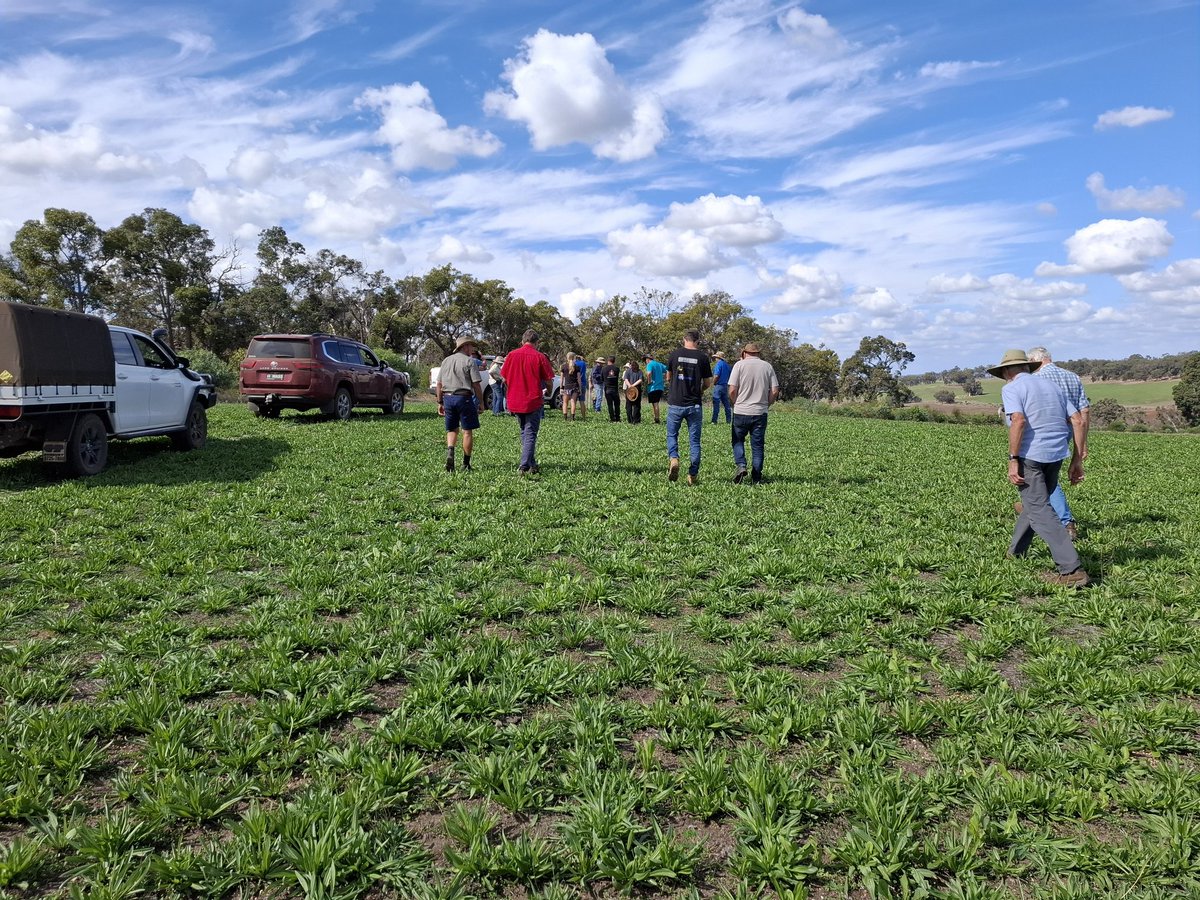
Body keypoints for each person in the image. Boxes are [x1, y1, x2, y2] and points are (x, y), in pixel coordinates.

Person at [990, 348, 1090, 587]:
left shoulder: (1011, 388)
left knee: (1040, 510)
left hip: (1031, 456)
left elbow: (1019, 420)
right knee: (1035, 503)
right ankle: (1016, 552)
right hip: (1056, 455)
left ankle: (1071, 569)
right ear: (1027, 367)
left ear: (1006, 371)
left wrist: (1013, 458)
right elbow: (1077, 420)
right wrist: (1077, 459)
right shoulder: (1052, 387)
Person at [1027, 346, 1089, 540]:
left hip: (1047, 432)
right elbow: (1084, 411)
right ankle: (1034, 510)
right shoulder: (1073, 377)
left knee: (1045, 478)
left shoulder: (1037, 380)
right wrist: (1082, 442)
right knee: (1046, 476)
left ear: (1035, 360)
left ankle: (1064, 522)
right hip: (1071, 429)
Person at [501, 330, 554, 475]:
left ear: (522, 341)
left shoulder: (511, 355)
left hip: (515, 400)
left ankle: (532, 464)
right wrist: (548, 392)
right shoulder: (539, 357)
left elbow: (504, 378)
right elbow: (549, 380)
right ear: (537, 343)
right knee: (530, 432)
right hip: (533, 400)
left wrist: (511, 391)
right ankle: (524, 466)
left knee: (524, 431)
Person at [665, 330, 713, 485]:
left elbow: (668, 377)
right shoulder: (703, 358)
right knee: (694, 441)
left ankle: (674, 458)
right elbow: (707, 383)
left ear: (683, 339)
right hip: (694, 404)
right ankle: (692, 475)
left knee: (672, 435)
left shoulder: (674, 354)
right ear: (697, 341)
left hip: (675, 403)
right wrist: (699, 391)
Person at [728, 343, 780, 484]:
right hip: (760, 412)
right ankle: (756, 477)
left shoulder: (739, 365)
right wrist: (767, 404)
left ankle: (741, 465)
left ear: (744, 352)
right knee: (757, 446)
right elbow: (775, 390)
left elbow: (732, 390)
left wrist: (735, 403)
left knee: (738, 441)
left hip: (741, 411)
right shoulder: (767, 366)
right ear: (758, 353)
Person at [436, 335, 484, 472]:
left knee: (452, 429)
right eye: (471, 346)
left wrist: (440, 402)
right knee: (467, 431)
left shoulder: (446, 361)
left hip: (448, 399)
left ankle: (450, 452)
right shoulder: (469, 361)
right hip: (464, 398)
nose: (472, 349)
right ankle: (466, 463)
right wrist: (481, 403)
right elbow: (476, 385)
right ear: (465, 347)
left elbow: (439, 384)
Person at [643, 353, 667, 424]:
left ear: (647, 359)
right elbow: (668, 369)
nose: (645, 362)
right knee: (655, 403)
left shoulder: (649, 364)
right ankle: (655, 418)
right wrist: (666, 378)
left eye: (645, 360)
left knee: (655, 403)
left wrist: (649, 381)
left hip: (653, 387)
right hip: (660, 387)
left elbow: (649, 373)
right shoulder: (659, 364)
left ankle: (657, 419)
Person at [711, 351, 733, 424]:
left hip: (718, 386)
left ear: (718, 358)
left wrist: (713, 383)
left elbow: (716, 375)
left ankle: (714, 421)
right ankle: (729, 420)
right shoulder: (727, 365)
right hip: (725, 386)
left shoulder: (718, 364)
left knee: (716, 403)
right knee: (726, 404)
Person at [561, 352, 582, 420]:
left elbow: (562, 379)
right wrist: (580, 388)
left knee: (565, 402)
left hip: (567, 387)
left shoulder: (563, 366)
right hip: (575, 386)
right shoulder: (577, 367)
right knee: (573, 402)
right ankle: (572, 417)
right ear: (574, 358)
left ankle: (565, 417)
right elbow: (579, 379)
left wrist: (561, 387)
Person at [602, 356, 622, 422]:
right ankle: (618, 418)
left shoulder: (604, 369)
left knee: (610, 404)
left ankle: (612, 418)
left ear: (608, 361)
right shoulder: (617, 369)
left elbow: (602, 379)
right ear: (614, 361)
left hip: (607, 389)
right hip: (615, 389)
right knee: (617, 404)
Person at [623, 360, 643, 424]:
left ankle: (630, 420)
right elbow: (640, 380)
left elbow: (626, 379)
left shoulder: (628, 371)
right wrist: (633, 386)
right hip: (637, 390)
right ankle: (636, 420)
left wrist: (630, 386)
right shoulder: (639, 371)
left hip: (629, 390)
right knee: (636, 406)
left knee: (628, 405)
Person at [573, 352, 589, 419]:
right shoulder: (583, 363)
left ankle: (573, 416)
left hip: (575, 383)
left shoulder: (574, 364)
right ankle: (584, 416)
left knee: (573, 401)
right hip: (583, 383)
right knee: (582, 401)